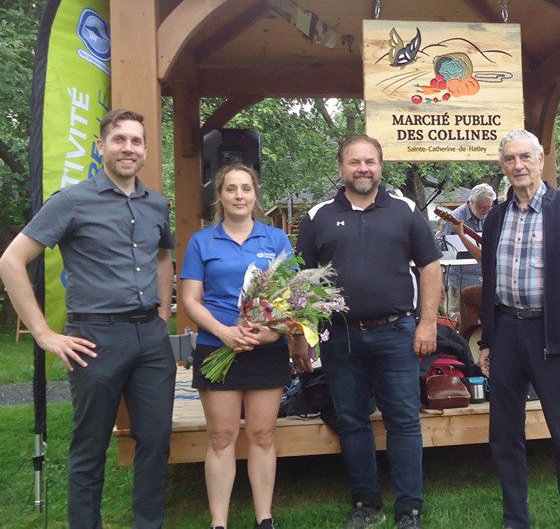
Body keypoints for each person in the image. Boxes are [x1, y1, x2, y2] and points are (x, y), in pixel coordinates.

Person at [0, 109, 176, 527]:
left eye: (136, 141)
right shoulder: (71, 201)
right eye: (119, 139)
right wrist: (43, 334)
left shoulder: (156, 204)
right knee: (90, 448)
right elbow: (11, 261)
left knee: (155, 443)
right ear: (101, 147)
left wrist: (164, 312)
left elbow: (165, 254)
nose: (128, 148)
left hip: (150, 339)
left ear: (146, 150)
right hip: (95, 339)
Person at [296, 135, 442, 529]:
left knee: (404, 420)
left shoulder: (406, 210)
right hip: (340, 337)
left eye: (370, 162)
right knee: (352, 420)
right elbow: (302, 283)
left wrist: (427, 323)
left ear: (381, 166)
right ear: (341, 167)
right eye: (355, 162)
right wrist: (303, 337)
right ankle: (365, 503)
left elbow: (430, 268)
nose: (363, 168)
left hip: (396, 332)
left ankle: (409, 509)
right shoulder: (317, 217)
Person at [477, 129, 560, 529]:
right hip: (508, 334)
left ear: (541, 160)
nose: (518, 166)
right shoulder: (495, 216)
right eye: (510, 159)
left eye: (525, 157)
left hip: (555, 338)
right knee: (504, 436)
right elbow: (490, 280)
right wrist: (488, 341)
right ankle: (516, 520)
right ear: (502, 166)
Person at [180, 164, 306, 529]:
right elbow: (190, 300)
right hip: (216, 344)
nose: (239, 196)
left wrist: (272, 333)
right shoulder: (202, 241)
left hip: (265, 348)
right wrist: (224, 332)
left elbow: (293, 298)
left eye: (246, 189)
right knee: (221, 437)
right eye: (231, 189)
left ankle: (264, 518)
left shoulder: (276, 240)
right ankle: (218, 522)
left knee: (263, 435)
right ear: (220, 195)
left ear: (255, 195)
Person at [438, 183, 495, 330]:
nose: (486, 211)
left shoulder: (492, 216)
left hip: (485, 280)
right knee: (459, 323)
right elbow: (444, 251)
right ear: (471, 202)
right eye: (482, 208)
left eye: (489, 207)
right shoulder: (456, 217)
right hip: (461, 280)